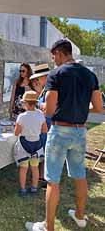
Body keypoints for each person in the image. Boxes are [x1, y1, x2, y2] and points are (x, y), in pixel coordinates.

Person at [25, 39, 102, 231]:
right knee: (79, 175)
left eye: (54, 58)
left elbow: (49, 110)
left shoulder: (56, 74)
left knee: (53, 180)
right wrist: (79, 107)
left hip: (60, 131)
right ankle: (80, 217)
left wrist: (42, 106)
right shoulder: (90, 75)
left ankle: (48, 226)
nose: (54, 62)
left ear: (59, 53)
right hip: (80, 131)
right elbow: (98, 107)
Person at [14, 91, 47, 197]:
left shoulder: (21, 117)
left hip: (24, 144)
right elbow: (45, 130)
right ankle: (34, 188)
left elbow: (16, 133)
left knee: (23, 168)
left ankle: (23, 189)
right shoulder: (41, 115)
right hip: (36, 143)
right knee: (35, 167)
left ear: (26, 103)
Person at [29, 64, 51, 183]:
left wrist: (37, 103)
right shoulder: (44, 89)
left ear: (44, 76)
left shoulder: (49, 90)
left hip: (47, 124)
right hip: (43, 124)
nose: (37, 80)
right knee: (42, 149)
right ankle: (40, 175)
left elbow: (46, 108)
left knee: (45, 150)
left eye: (38, 78)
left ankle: (42, 176)